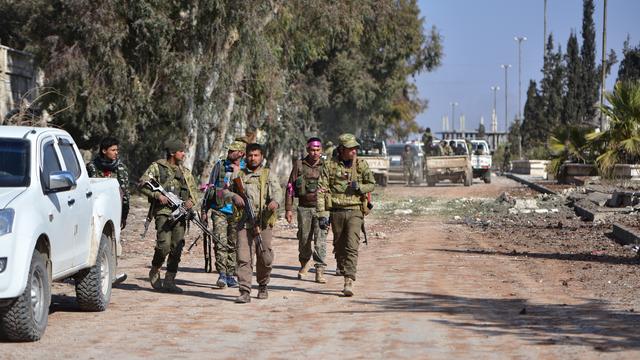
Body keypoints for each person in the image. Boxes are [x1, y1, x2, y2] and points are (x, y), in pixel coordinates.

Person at [317, 133, 375, 297]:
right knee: (339, 246)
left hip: (355, 210)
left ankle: (348, 280)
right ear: (342, 149)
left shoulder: (361, 165)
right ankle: (342, 267)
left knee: (351, 246)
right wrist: (322, 214)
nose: (354, 151)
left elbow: (371, 184)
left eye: (355, 148)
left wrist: (360, 188)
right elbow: (321, 190)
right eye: (350, 148)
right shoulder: (329, 166)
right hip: (336, 211)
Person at [226, 143, 283, 303]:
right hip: (243, 223)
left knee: (265, 257)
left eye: (256, 155)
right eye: (250, 155)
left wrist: (275, 203)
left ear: (262, 157)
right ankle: (244, 291)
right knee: (243, 257)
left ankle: (263, 285)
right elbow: (223, 191)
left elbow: (278, 192)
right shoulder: (238, 175)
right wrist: (233, 196)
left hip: (263, 222)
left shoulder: (268, 174)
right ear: (246, 157)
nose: (253, 158)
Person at [139, 139, 198, 293]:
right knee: (163, 245)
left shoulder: (185, 172)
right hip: (163, 212)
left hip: (180, 215)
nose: (183, 153)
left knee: (177, 247)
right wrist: (157, 195)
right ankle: (155, 268)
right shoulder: (157, 167)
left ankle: (170, 280)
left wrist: (190, 202)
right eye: (181, 151)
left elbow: (194, 193)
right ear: (172, 152)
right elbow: (142, 184)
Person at [201, 141, 246, 289]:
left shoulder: (245, 168)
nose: (229, 153)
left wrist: (238, 171)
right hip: (219, 209)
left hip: (236, 212)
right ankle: (222, 274)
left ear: (240, 153)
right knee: (220, 242)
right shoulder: (220, 165)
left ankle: (230, 274)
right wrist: (204, 210)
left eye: (233, 151)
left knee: (233, 244)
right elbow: (211, 187)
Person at [86, 136, 130, 285]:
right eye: (113, 150)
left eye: (117, 150)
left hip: (115, 211)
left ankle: (111, 274)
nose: (116, 153)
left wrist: (124, 215)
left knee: (113, 242)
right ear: (104, 151)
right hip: (96, 211)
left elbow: (125, 193)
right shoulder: (92, 167)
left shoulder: (121, 168)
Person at [285, 137, 328, 283]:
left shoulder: (326, 165)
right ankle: (304, 264)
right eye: (312, 150)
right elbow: (290, 187)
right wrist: (288, 209)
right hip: (304, 208)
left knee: (321, 239)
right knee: (304, 239)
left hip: (322, 208)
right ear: (307, 150)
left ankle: (320, 270)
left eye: (317, 150)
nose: (315, 153)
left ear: (321, 150)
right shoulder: (299, 165)